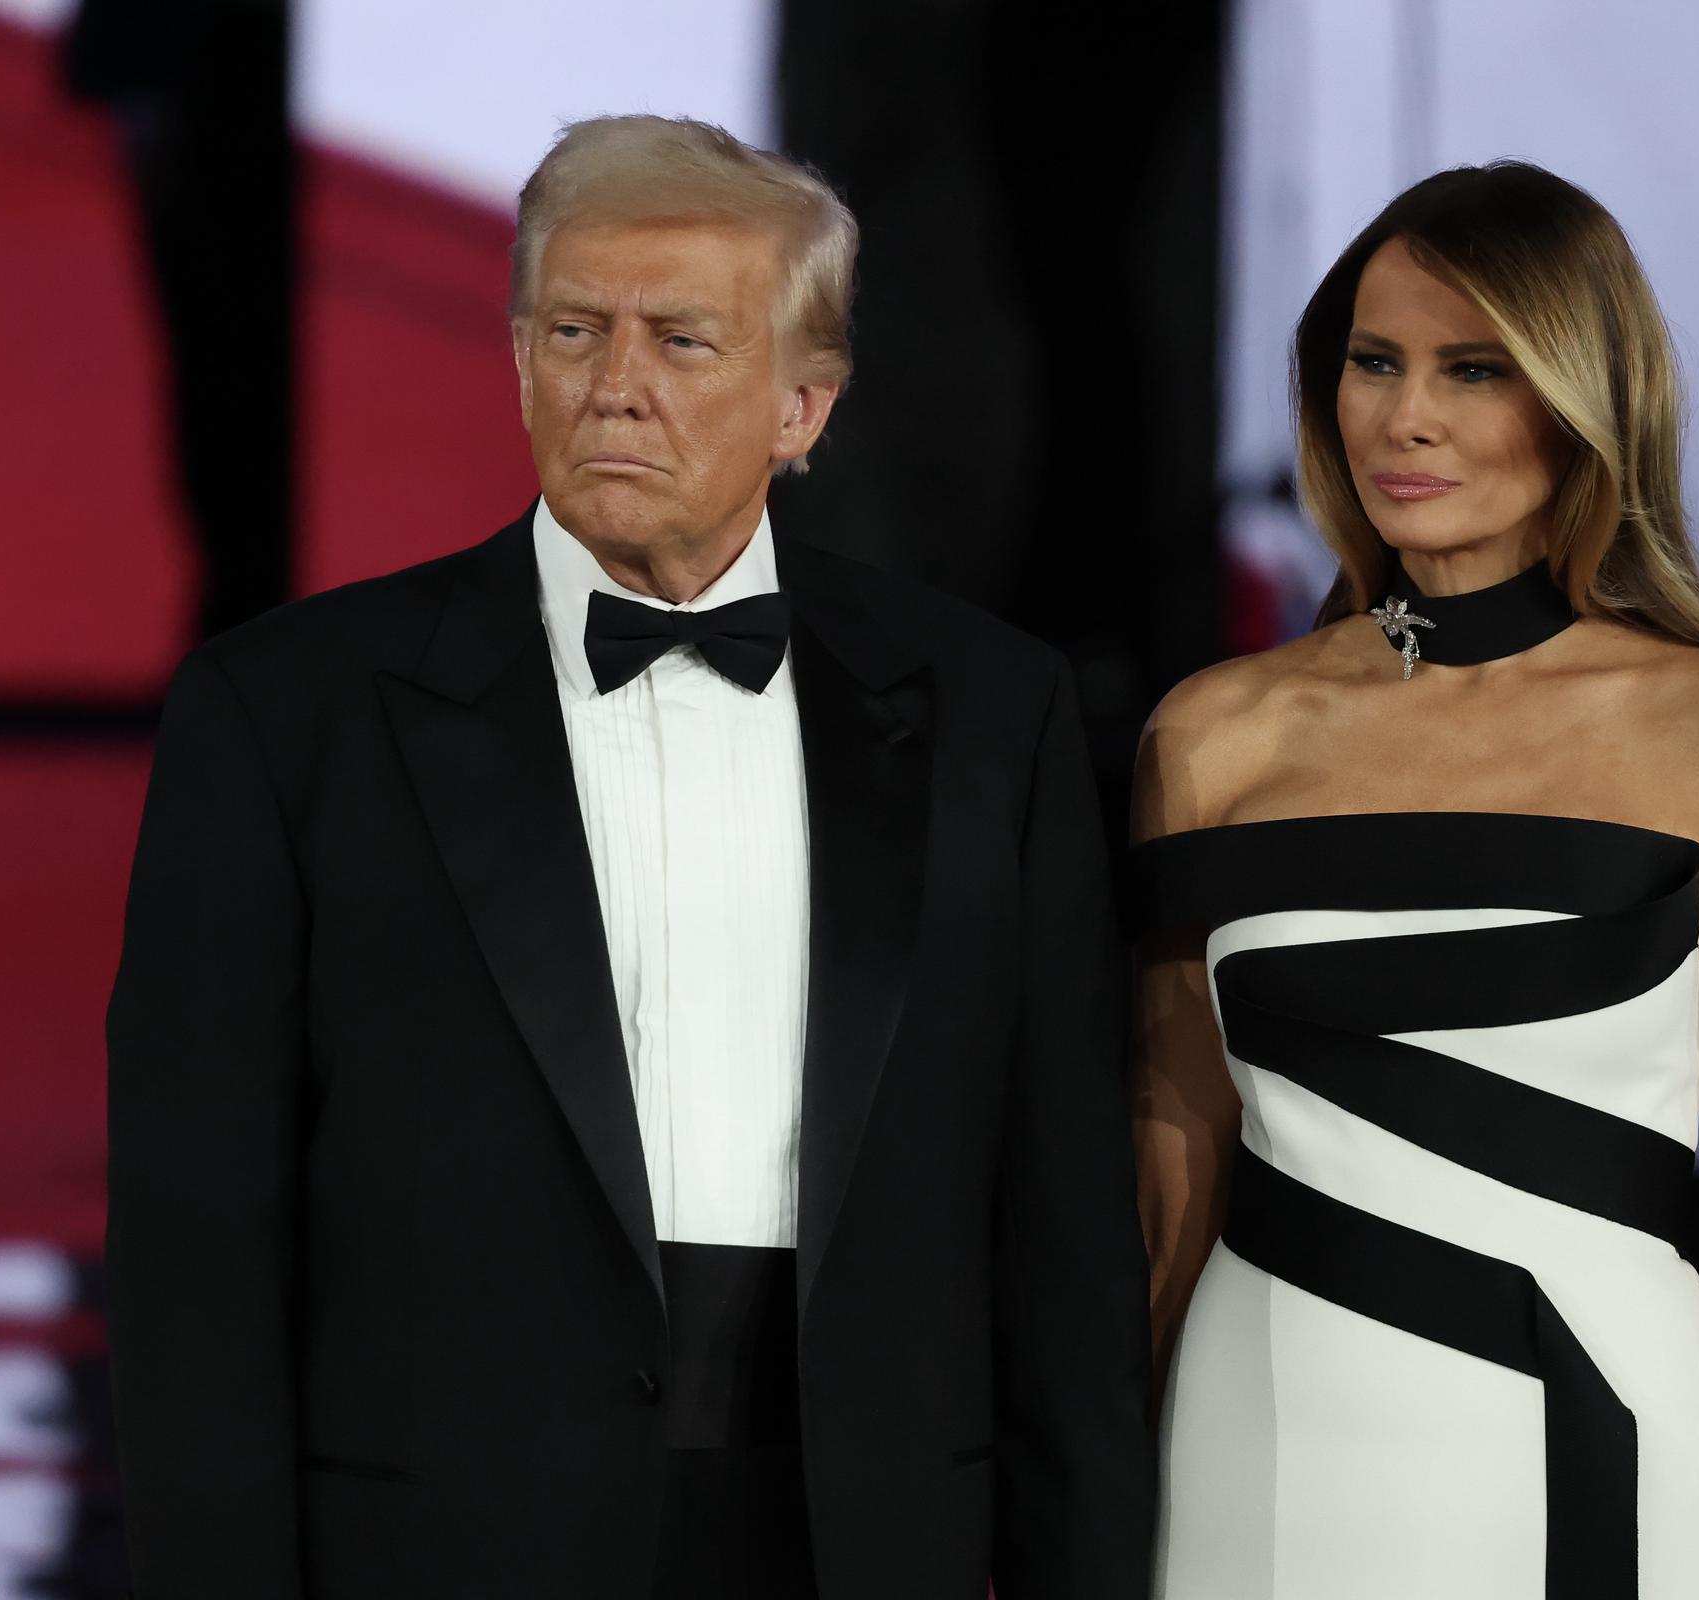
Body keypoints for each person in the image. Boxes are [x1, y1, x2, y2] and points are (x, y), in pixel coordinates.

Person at [106, 114, 1155, 1599]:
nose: (614, 390)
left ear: (805, 406)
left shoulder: (992, 713)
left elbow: (1064, 1249)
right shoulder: (287, 718)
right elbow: (191, 1255)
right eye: (574, 331)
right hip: (444, 1543)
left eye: (680, 342)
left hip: (863, 1535)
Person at [1131, 161, 1699, 1598]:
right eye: (1374, 363)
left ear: (1584, 398)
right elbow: (1173, 1157)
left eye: (1474, 369)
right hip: (1259, 1426)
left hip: (1598, 1420)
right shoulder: (1215, 732)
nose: (1407, 416)